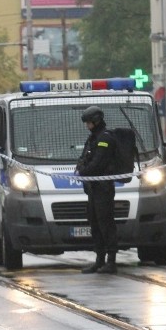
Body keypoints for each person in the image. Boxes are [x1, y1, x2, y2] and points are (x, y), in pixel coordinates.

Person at [75, 106, 118, 274]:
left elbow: (97, 163)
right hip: (93, 189)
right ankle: (99, 260)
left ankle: (111, 261)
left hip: (103, 189)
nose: (87, 126)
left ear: (96, 121)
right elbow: (84, 158)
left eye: (88, 123)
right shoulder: (93, 138)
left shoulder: (105, 138)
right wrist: (80, 168)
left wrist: (83, 172)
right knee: (95, 224)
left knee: (106, 224)